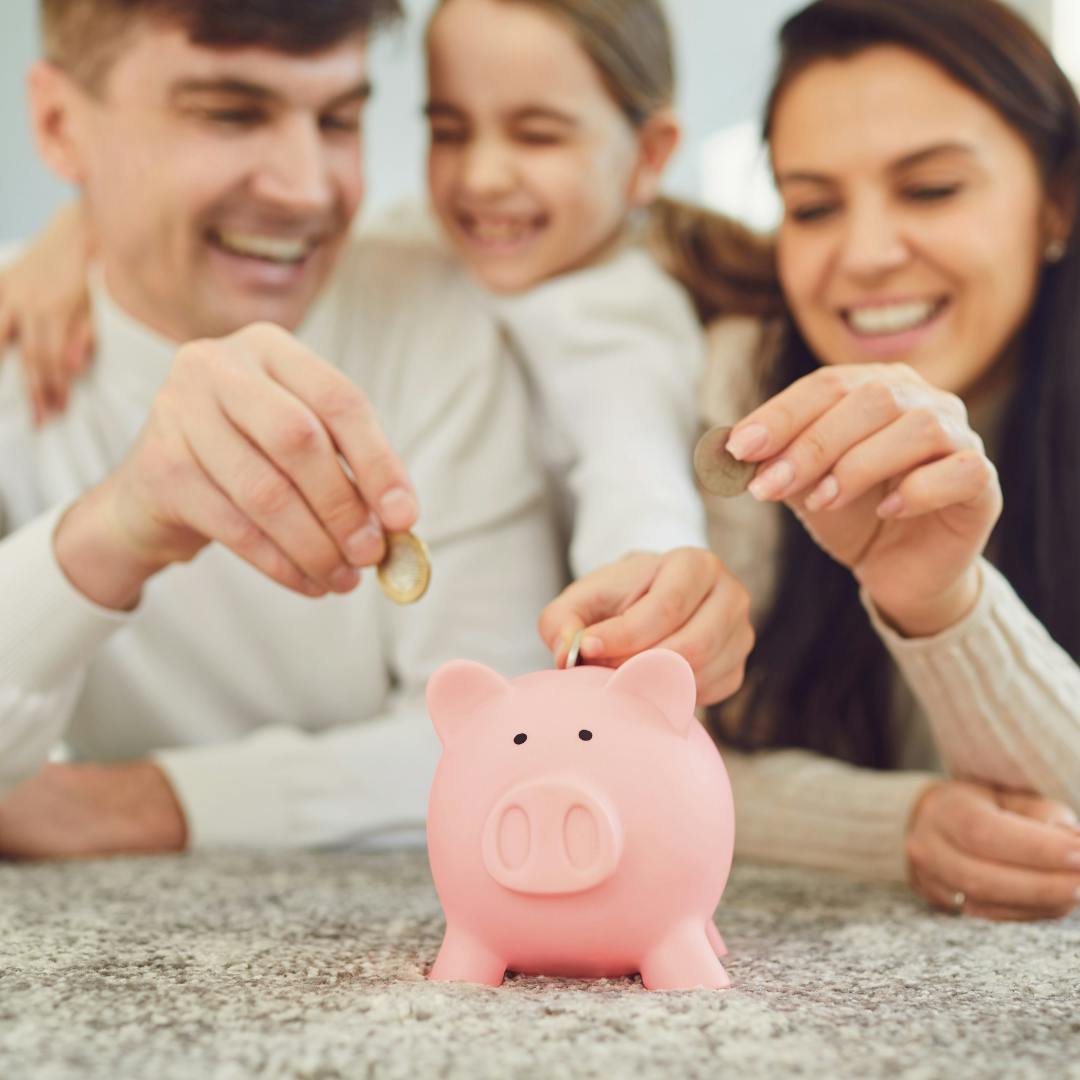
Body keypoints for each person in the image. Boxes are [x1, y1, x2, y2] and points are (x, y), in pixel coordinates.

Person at [1, 0, 757, 703]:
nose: (483, 178)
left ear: (650, 154)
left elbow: (634, 474)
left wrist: (652, 582)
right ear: (60, 125)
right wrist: (79, 233)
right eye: (450, 130)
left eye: (338, 120)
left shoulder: (606, 317)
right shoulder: (429, 249)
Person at [548, 0, 1080, 922]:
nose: (866, 256)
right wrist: (896, 826)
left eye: (932, 190)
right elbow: (626, 757)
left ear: (1056, 202)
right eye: (814, 207)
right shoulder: (734, 401)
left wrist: (942, 602)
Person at [0, 0, 569, 857]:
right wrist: (114, 526)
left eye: (341, 119)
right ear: (57, 123)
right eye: (231, 114)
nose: (307, 189)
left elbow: (514, 737)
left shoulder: (439, 316)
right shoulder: (16, 333)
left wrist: (144, 805)